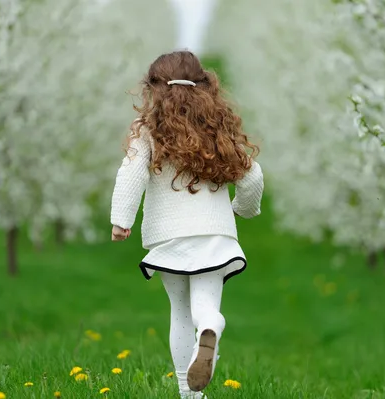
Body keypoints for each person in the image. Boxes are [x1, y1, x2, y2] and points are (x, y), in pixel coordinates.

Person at [110, 50, 264, 399]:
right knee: (205, 306)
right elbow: (252, 176)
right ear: (206, 86)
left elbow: (130, 173)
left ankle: (189, 394)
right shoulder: (219, 130)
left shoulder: (148, 131)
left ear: (153, 89)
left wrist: (122, 219)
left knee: (179, 312)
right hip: (214, 235)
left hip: (169, 238)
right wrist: (243, 208)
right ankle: (210, 326)